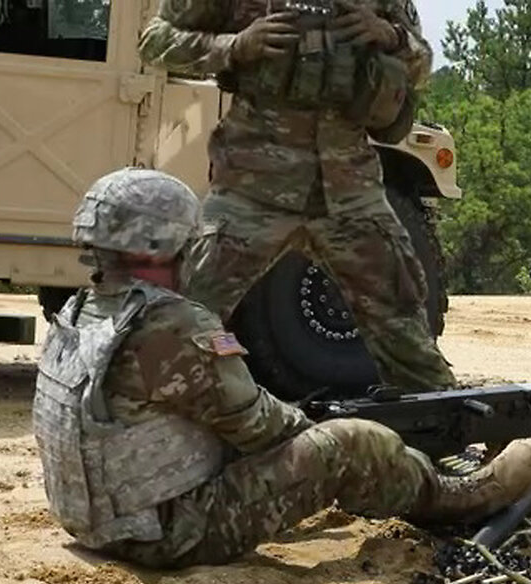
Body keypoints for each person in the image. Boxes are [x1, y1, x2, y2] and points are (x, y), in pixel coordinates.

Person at [33, 168, 531, 569]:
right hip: (166, 536)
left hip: (96, 523)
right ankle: (459, 497)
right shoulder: (170, 325)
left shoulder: (85, 311)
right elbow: (263, 429)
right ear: (163, 244)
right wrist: (354, 439)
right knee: (352, 444)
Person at [137, 0, 455, 391]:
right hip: (253, 186)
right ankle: (140, 426)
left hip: (349, 189)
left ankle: (440, 434)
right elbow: (153, 42)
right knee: (183, 317)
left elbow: (421, 65)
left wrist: (391, 36)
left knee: (404, 328)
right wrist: (234, 47)